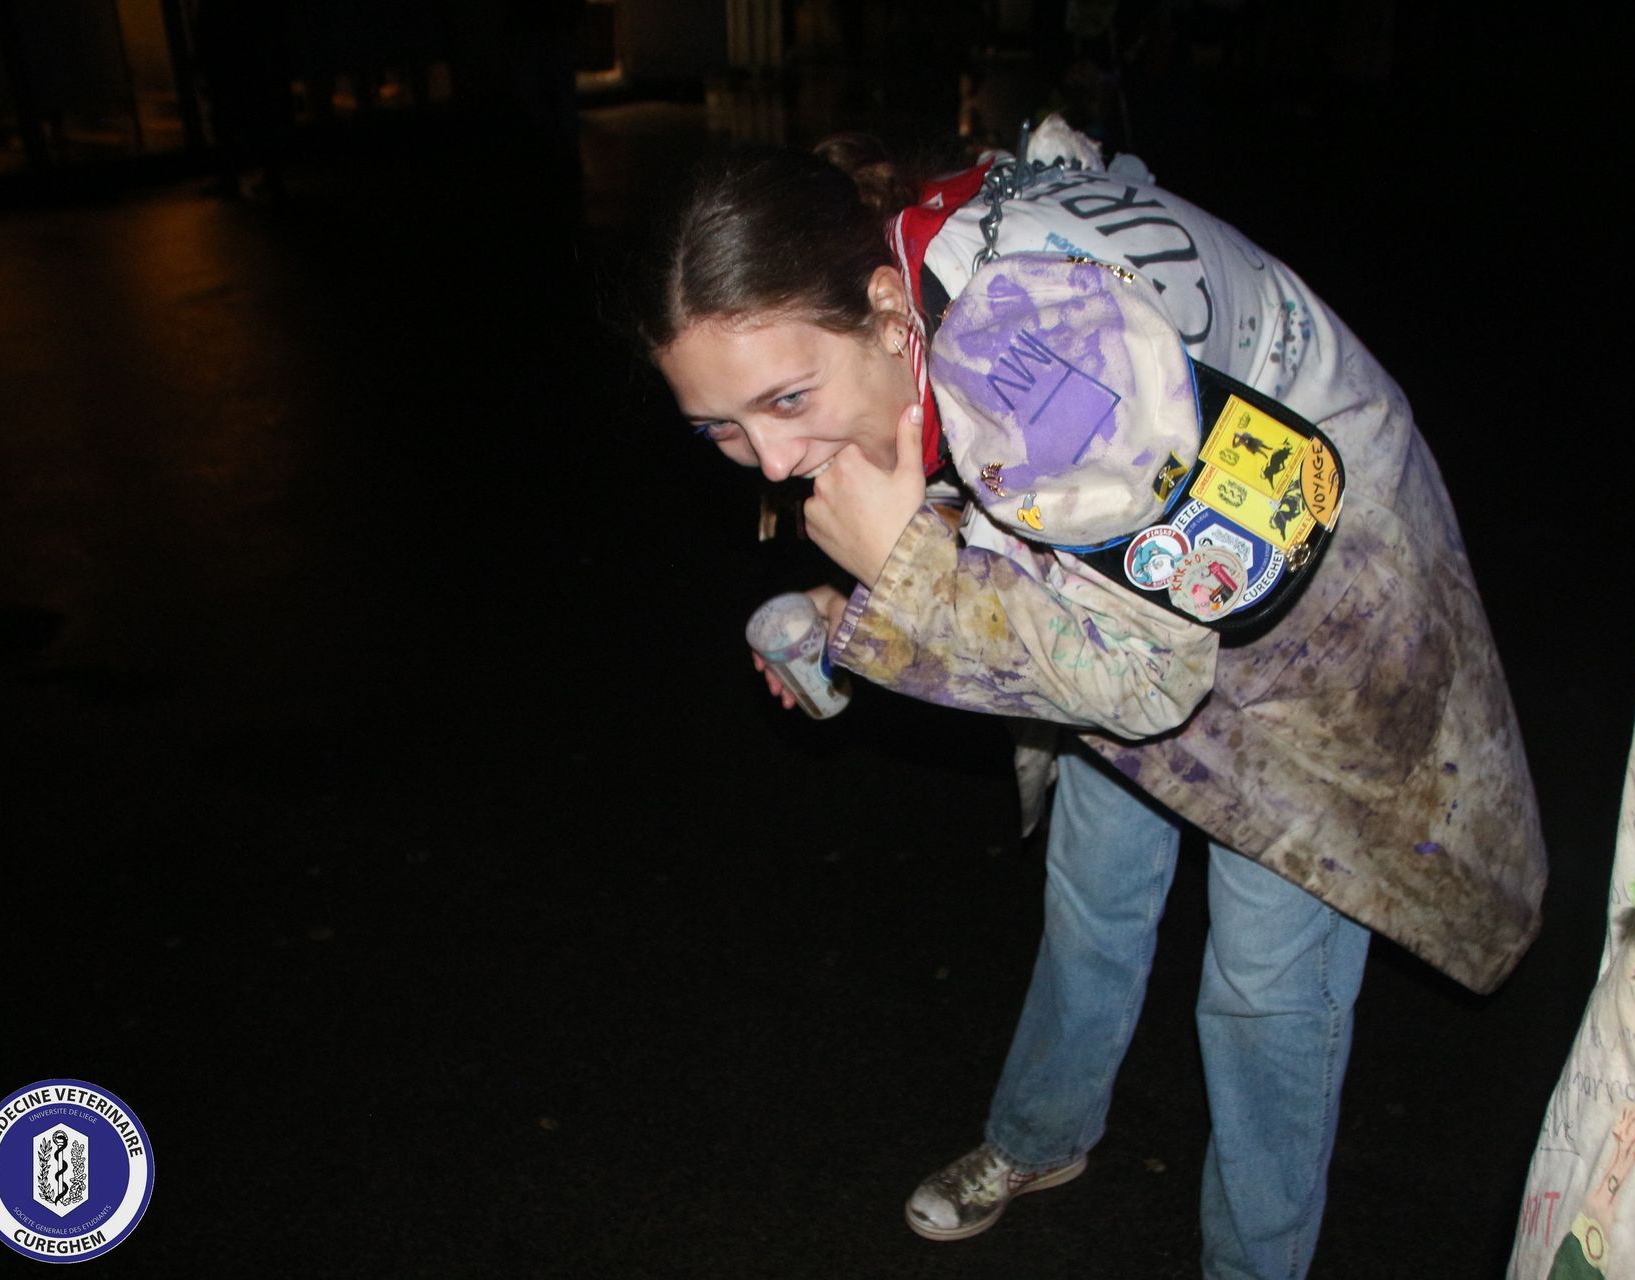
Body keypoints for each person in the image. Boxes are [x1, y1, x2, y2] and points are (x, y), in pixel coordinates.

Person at [638, 120, 1547, 1280]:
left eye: (787, 397)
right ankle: (1044, 1134)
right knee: (1095, 888)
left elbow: (1145, 681)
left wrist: (904, 575)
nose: (771, 460)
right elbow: (1033, 509)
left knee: (1266, 985)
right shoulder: (915, 273)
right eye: (720, 426)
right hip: (1138, 579)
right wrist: (857, 604)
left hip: (1317, 618)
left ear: (882, 302)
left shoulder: (1028, 350)